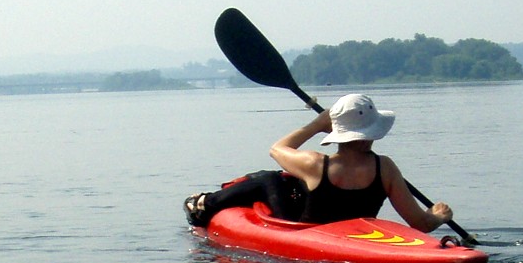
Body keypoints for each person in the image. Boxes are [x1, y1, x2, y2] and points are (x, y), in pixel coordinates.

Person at [185, 93, 453, 232]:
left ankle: (204, 204)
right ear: (373, 133)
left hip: (307, 232)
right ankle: (206, 202)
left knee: (268, 178)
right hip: (354, 234)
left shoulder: (315, 164)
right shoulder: (386, 168)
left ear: (338, 131)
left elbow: (277, 148)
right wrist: (438, 216)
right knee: (289, 183)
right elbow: (420, 224)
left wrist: (316, 125)